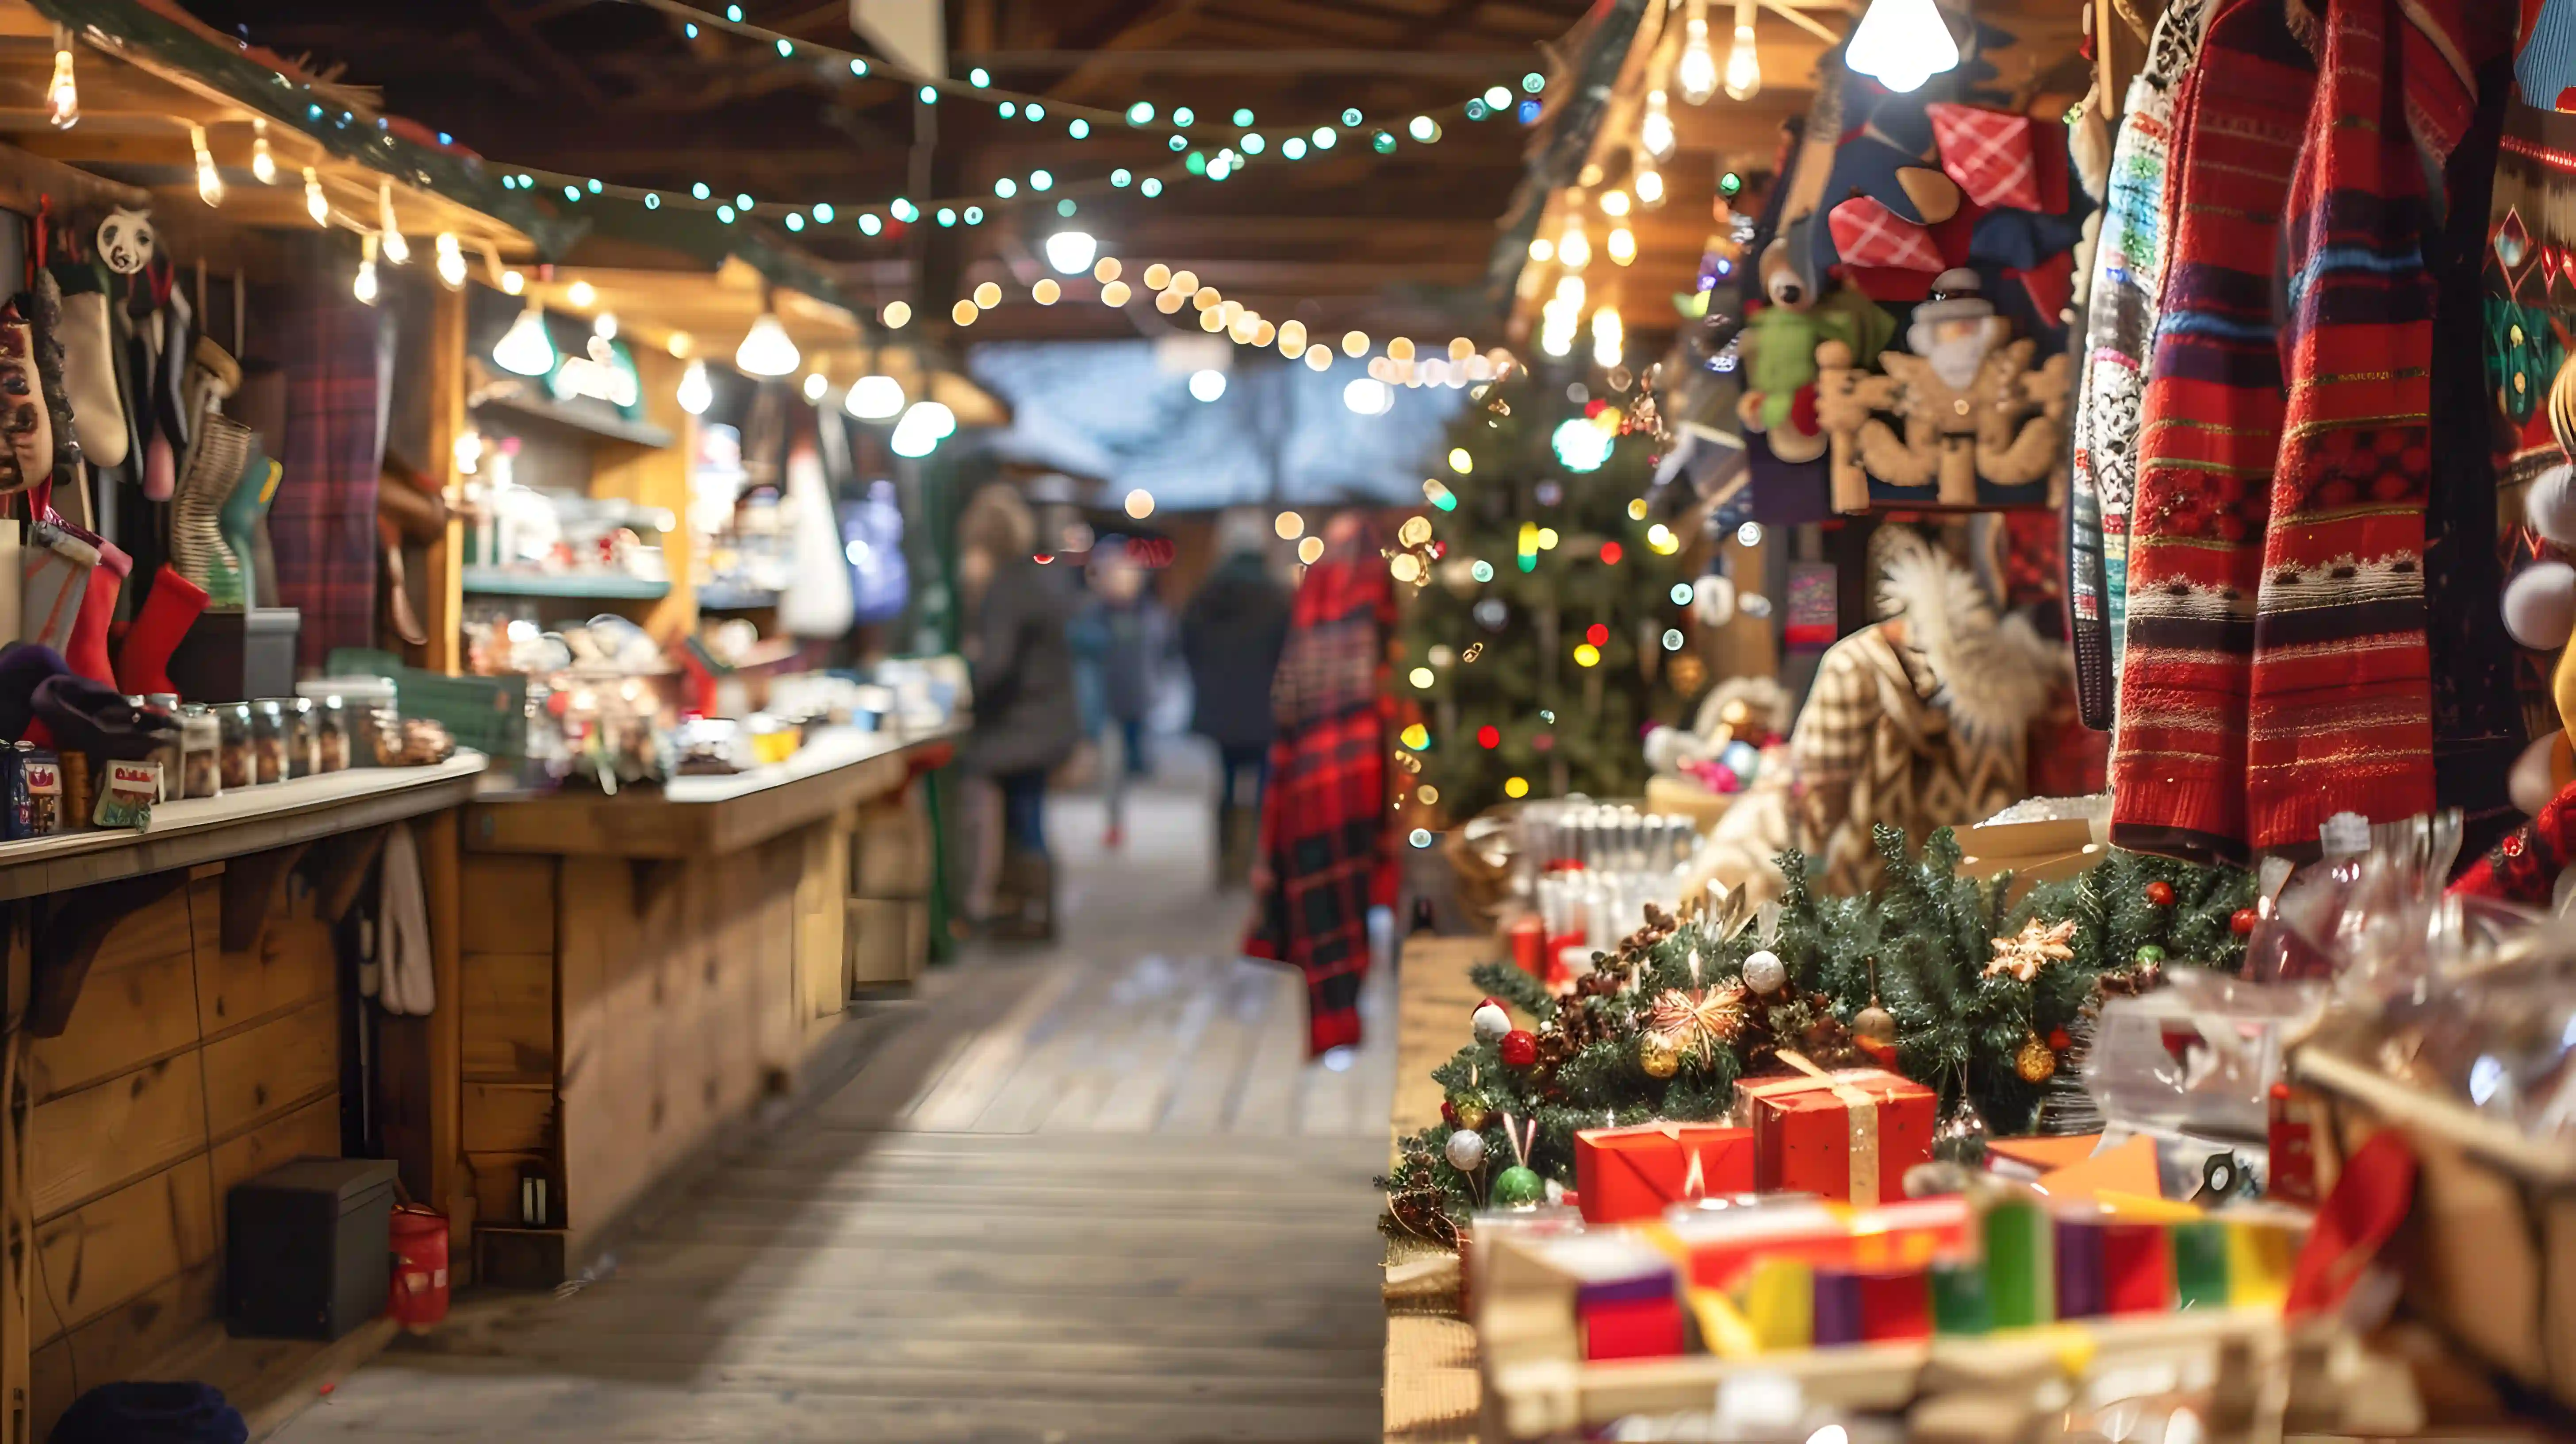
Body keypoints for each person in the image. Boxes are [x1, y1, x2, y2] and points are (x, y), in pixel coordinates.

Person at [956, 484, 1080, 939]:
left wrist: (969, 682)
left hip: (1022, 726)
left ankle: (1021, 910)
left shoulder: (1005, 588)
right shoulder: (1034, 578)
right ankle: (1031, 908)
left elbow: (997, 665)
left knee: (1021, 814)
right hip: (1045, 720)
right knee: (1029, 812)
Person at [1181, 510, 1291, 883]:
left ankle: (1227, 861)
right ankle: (1258, 860)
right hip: (1263, 708)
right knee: (1263, 786)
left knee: (1226, 783)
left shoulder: (1206, 595)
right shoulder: (1276, 598)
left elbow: (1187, 644)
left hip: (1221, 708)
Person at [1083, 543, 1171, 848]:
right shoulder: (1093, 615)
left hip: (1139, 700)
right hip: (1106, 703)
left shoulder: (1151, 614)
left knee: (1137, 765)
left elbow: (1162, 654)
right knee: (1112, 770)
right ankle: (1115, 824)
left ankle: (1126, 817)